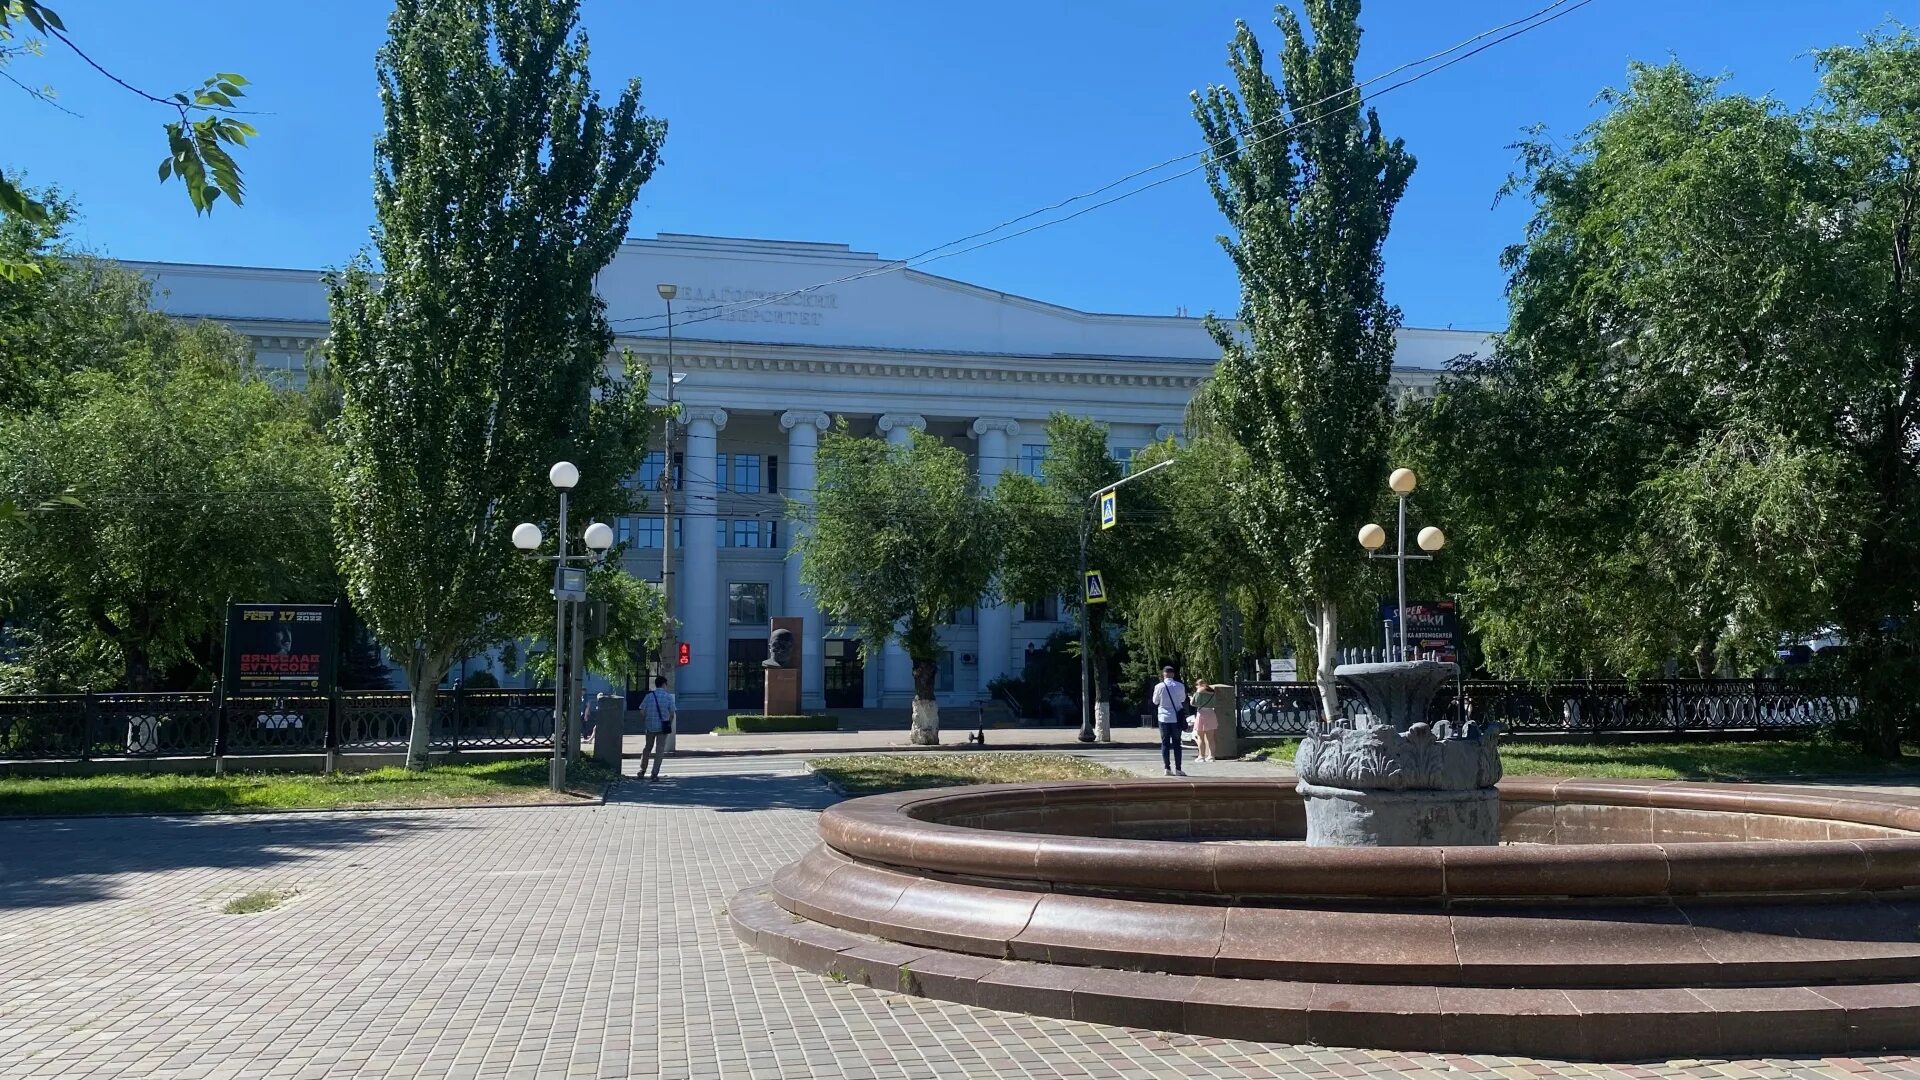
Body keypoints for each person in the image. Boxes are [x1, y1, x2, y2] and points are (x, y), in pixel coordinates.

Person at [1150, 665, 1187, 776]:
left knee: (1165, 743)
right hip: (1176, 718)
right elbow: (1182, 699)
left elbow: (1155, 701)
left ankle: (1167, 768)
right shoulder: (1180, 686)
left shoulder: (1159, 686)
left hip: (1163, 718)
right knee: (1177, 743)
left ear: (1163, 674)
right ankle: (1179, 769)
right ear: (1173, 674)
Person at [636, 675, 675, 783]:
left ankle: (642, 770)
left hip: (650, 727)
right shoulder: (668, 697)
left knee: (647, 748)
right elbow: (672, 713)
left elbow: (642, 710)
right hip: (663, 728)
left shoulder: (649, 696)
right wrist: (669, 723)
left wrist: (647, 719)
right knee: (659, 750)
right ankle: (654, 774)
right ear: (664, 684)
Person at [1191, 679, 1219, 762]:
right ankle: (1211, 756)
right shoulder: (1212, 692)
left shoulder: (1199, 692)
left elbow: (1193, 703)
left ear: (1198, 685)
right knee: (1211, 738)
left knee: (1200, 737)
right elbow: (1215, 704)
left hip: (1202, 713)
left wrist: (1195, 694)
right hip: (1211, 713)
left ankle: (1201, 756)